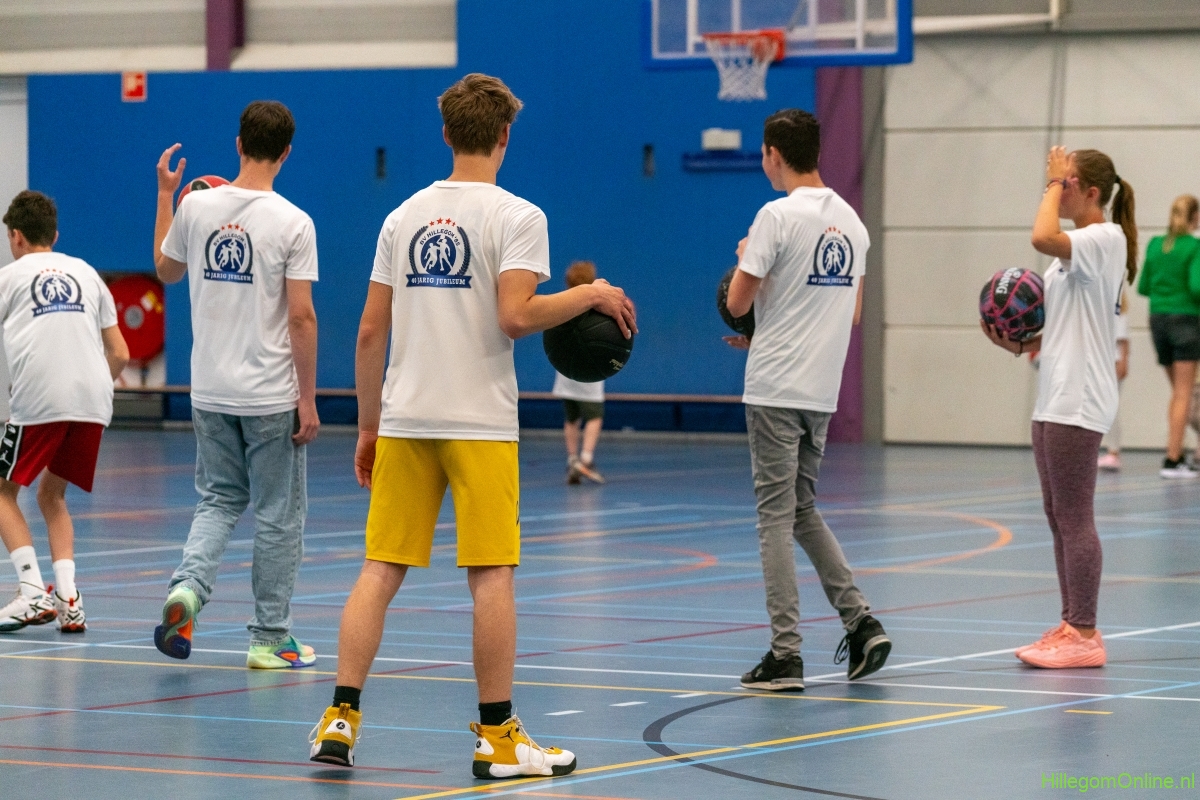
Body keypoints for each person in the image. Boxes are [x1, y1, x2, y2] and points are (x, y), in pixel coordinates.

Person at [308, 74, 636, 776]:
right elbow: (515, 315)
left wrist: (369, 425)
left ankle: (339, 718)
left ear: (447, 133)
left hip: (405, 417)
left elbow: (370, 332)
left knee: (379, 570)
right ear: (505, 136)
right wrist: (590, 292)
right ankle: (497, 737)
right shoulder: (519, 216)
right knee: (491, 576)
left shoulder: (402, 217)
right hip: (480, 424)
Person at [722, 108, 890, 692]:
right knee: (800, 510)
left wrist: (747, 256)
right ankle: (861, 621)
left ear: (773, 153)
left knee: (773, 517)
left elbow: (739, 301)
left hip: (772, 388)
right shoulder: (853, 223)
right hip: (820, 389)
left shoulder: (774, 216)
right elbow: (852, 313)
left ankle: (785, 653)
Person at [151, 100, 321, 669]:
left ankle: (188, 591)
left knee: (219, 500)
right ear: (288, 152)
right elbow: (301, 317)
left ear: (238, 143)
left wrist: (165, 197)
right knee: (278, 513)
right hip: (270, 394)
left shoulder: (195, 207)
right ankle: (271, 638)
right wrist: (308, 398)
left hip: (209, 391)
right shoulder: (294, 221)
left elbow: (165, 270)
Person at [982, 146, 1137, 668]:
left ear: (1090, 192)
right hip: (1054, 391)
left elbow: (1040, 234)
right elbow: (1055, 333)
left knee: (1075, 516)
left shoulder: (1104, 238)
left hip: (1080, 395)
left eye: (1066, 183)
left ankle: (1087, 635)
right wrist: (1017, 343)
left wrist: (1049, 187)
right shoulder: (1068, 256)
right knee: (1056, 514)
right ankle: (1073, 622)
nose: (1057, 188)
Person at [0, 190, 129, 633]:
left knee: (1, 492)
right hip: (93, 401)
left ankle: (32, 592)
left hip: (40, 399)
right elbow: (121, 353)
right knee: (51, 496)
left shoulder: (9, 277)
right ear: (54, 235)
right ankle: (70, 599)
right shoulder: (88, 274)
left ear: (15, 236)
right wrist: (88, 386)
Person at [1137, 194, 1200, 478]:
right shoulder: (1193, 247)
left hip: (1157, 320)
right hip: (1186, 320)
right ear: (1195, 218)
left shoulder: (1155, 245)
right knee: (1184, 394)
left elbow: (1144, 286)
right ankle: (1173, 458)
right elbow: (1197, 286)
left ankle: (1180, 454)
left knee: (1178, 394)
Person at [552, 260, 606, 485]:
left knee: (571, 417)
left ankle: (572, 458)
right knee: (594, 416)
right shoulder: (596, 306)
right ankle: (586, 458)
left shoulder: (562, 304)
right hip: (589, 369)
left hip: (566, 370)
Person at [1097, 289, 1131, 471]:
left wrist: (1123, 361)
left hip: (1113, 363)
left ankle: (1114, 452)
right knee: (1104, 408)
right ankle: (1110, 450)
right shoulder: (1103, 312)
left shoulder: (1119, 313)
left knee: (1111, 409)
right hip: (1104, 362)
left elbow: (1123, 341)